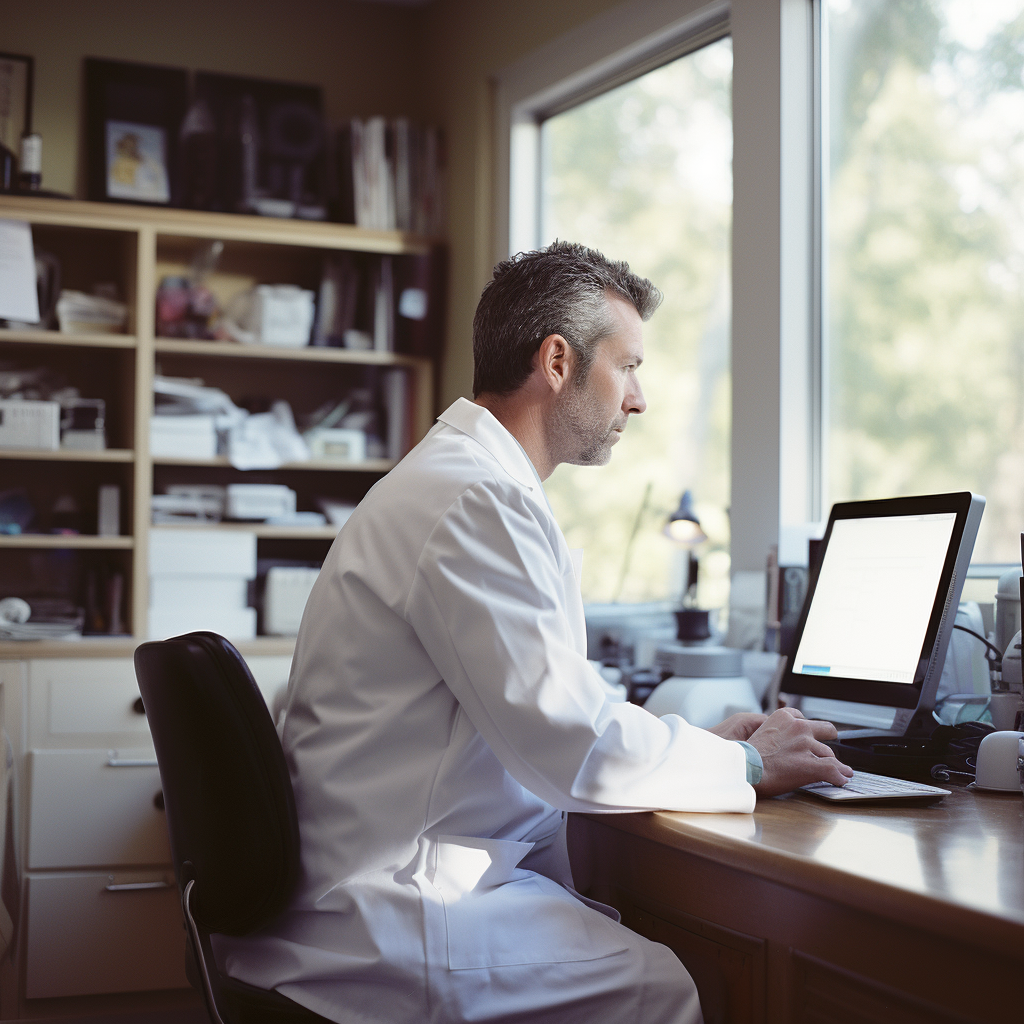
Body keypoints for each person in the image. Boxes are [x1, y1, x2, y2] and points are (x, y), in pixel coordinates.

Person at [214, 241, 853, 1023]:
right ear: (557, 361)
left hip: (377, 888)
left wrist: (702, 749)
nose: (638, 399)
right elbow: (570, 743)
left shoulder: (458, 482)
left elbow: (545, 715)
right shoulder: (474, 499)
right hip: (395, 914)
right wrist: (748, 762)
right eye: (628, 367)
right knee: (669, 990)